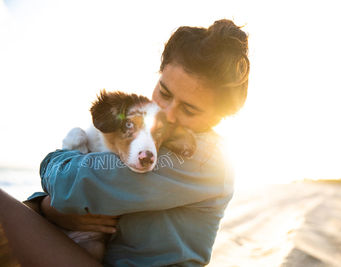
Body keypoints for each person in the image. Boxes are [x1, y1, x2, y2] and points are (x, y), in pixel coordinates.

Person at [0, 19, 249, 266]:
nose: (168, 113)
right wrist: (47, 207)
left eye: (189, 109)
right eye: (164, 92)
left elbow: (70, 186)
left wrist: (46, 202)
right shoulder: (160, 137)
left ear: (220, 116)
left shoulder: (201, 157)